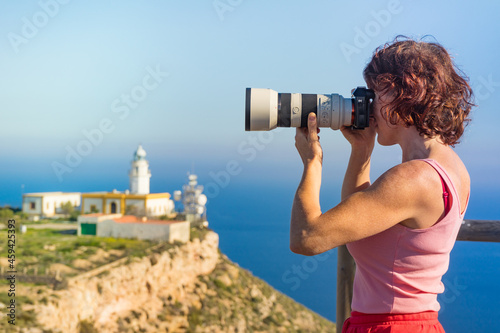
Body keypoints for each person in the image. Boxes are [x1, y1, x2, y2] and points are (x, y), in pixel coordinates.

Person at [290, 37, 474, 332]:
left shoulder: (415, 179)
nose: (369, 104)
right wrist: (361, 152)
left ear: (403, 93)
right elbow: (358, 220)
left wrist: (312, 163)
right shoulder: (447, 168)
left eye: (375, 94)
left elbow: (306, 238)